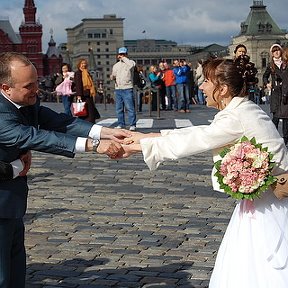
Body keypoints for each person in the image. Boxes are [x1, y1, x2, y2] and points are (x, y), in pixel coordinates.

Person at [122, 58, 288, 288]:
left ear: (222, 89)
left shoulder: (235, 116)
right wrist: (147, 138)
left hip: (267, 203)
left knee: (262, 262)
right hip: (265, 198)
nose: (201, 87)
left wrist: (139, 145)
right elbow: (202, 132)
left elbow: (195, 140)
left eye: (206, 82)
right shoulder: (243, 108)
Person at [0, 52, 131, 288]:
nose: (36, 89)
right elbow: (36, 137)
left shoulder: (25, 99)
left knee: (15, 262)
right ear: (5, 88)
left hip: (11, 199)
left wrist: (104, 132)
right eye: (29, 85)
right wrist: (94, 146)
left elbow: (61, 122)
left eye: (37, 82)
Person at [263, 44, 288, 144]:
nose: (276, 52)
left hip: (285, 92)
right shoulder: (271, 65)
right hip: (275, 93)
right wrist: (267, 84)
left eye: (278, 50)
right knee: (276, 116)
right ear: (272, 53)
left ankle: (286, 139)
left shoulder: (285, 63)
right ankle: (273, 137)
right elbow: (265, 76)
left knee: (286, 117)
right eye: (274, 51)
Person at [110, 47, 137, 131]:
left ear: (126, 54)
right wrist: (112, 77)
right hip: (118, 88)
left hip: (127, 88)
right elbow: (113, 75)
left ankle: (132, 124)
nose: (122, 56)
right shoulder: (116, 65)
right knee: (119, 108)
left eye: (123, 54)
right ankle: (121, 123)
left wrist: (124, 58)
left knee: (130, 107)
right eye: (120, 54)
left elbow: (131, 65)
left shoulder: (130, 62)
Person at [74, 58, 98, 123]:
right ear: (79, 64)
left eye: (84, 63)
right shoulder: (78, 73)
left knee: (90, 110)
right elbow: (78, 85)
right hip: (83, 95)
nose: (83, 65)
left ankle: (91, 121)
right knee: (84, 110)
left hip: (88, 94)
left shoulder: (86, 72)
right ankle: (86, 122)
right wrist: (79, 95)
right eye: (82, 63)